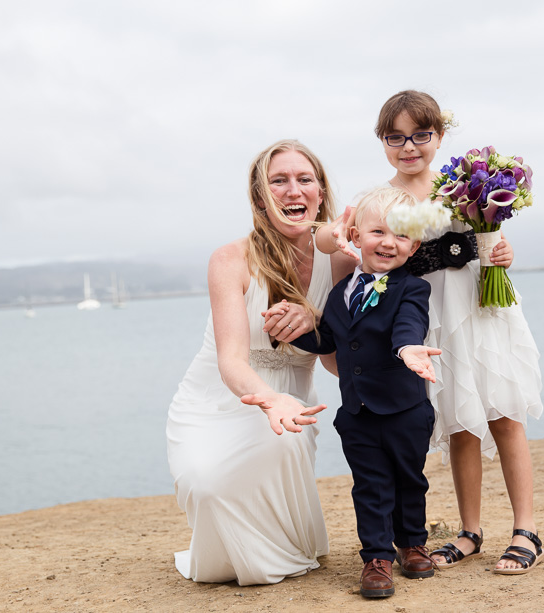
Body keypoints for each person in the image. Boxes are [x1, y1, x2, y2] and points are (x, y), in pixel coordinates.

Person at [318, 90, 544, 574]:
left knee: (504, 413)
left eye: (421, 135)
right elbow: (331, 236)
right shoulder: (383, 200)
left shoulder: (460, 186)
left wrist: (503, 253)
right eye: (395, 137)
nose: (409, 146)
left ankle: (526, 529)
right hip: (424, 320)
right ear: (382, 141)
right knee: (460, 420)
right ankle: (470, 532)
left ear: (439, 136)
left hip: (480, 308)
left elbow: (493, 239)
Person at [165, 139, 357, 586]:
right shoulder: (230, 259)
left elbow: (333, 362)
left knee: (280, 448)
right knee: (205, 483)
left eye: (305, 180)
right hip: (220, 393)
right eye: (279, 181)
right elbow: (230, 360)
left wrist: (315, 324)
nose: (294, 191)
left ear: (321, 192)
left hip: (293, 397)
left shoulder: (342, 261)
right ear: (259, 197)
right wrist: (272, 401)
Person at [280, 186, 441, 598]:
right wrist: (296, 332)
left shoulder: (412, 289)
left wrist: (408, 348)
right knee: (369, 485)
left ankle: (411, 543)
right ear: (355, 234)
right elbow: (330, 340)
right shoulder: (338, 294)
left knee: (409, 480)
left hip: (405, 409)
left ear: (414, 245)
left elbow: (409, 324)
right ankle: (376, 558)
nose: (388, 243)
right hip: (358, 413)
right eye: (378, 232)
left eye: (401, 236)